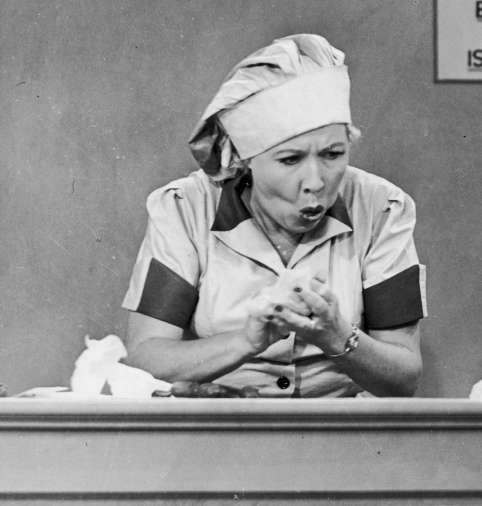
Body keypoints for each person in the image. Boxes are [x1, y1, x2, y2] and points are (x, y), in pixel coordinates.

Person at [122, 34, 425, 397]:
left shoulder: (382, 208)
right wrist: (245, 341)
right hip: (219, 433)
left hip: (340, 438)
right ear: (244, 160)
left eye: (332, 154)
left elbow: (404, 377)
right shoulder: (185, 208)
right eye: (290, 159)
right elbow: (143, 358)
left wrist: (339, 337)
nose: (315, 182)